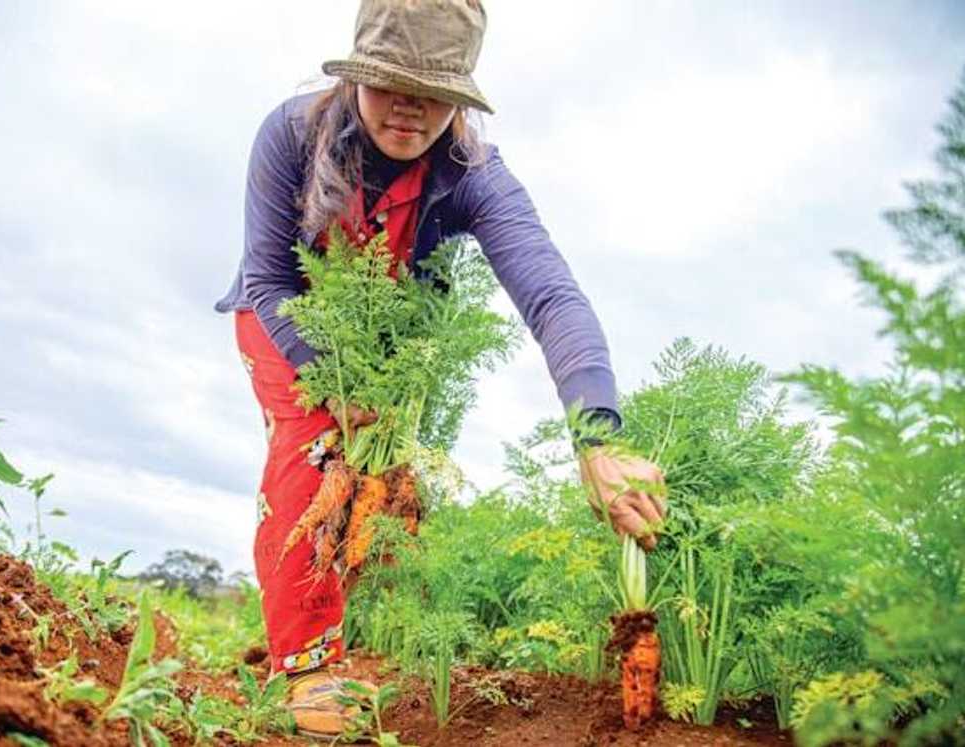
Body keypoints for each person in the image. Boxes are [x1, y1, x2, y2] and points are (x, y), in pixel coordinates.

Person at [213, 0, 667, 738]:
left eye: (436, 92)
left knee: (374, 495)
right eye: (393, 82)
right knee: (316, 448)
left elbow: (551, 293)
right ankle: (298, 669)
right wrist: (333, 381)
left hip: (388, 342)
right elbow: (269, 280)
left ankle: (317, 636)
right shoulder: (292, 134)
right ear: (360, 71)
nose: (412, 108)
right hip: (286, 320)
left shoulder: (472, 173)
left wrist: (598, 434)